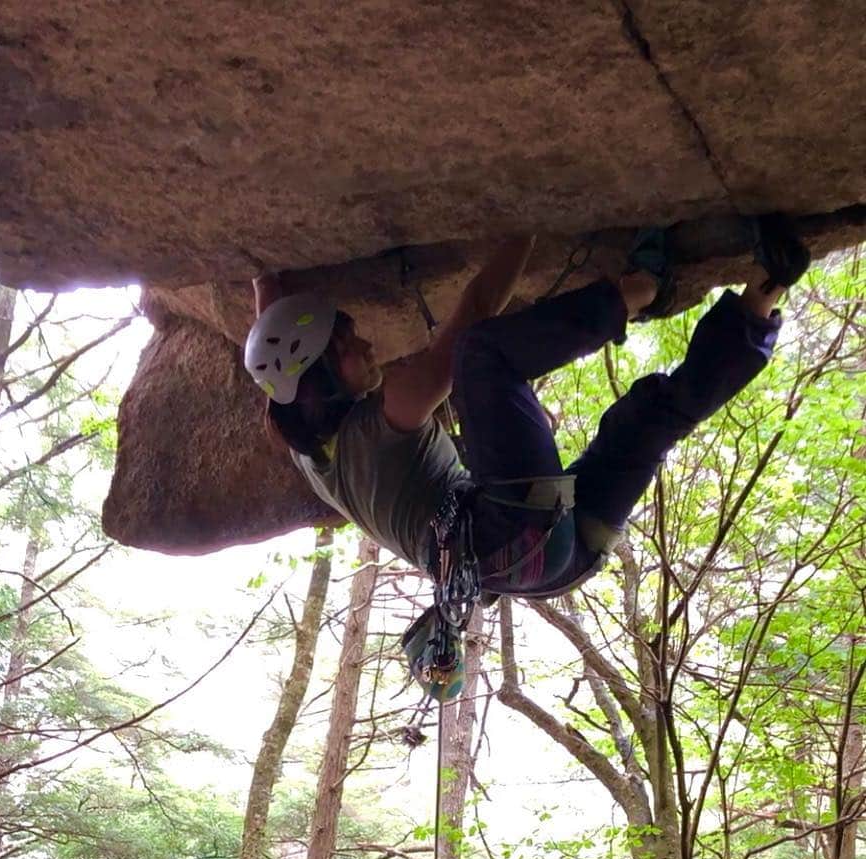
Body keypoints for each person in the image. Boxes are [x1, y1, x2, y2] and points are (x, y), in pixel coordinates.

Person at [245, 217, 810, 600]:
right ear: (321, 382)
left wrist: (260, 277)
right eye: (347, 347)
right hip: (513, 534)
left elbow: (273, 355)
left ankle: (762, 297)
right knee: (481, 352)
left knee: (646, 422)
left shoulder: (308, 448)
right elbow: (477, 315)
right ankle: (642, 287)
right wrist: (527, 223)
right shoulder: (390, 415)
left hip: (556, 562)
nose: (366, 345)